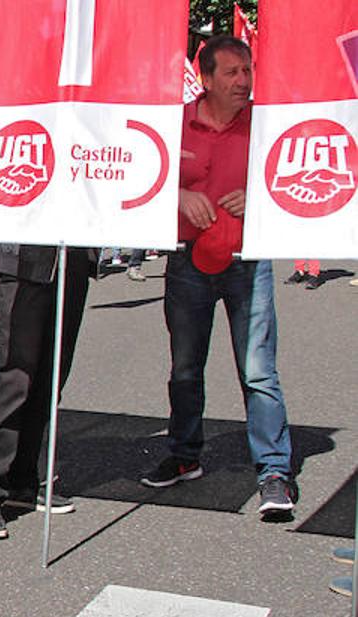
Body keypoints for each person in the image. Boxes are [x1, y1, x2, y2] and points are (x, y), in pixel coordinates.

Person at [138, 36, 297, 520]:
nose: (243, 81)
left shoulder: (266, 125)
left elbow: (289, 176)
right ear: (205, 79)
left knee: (258, 370)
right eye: (231, 73)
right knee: (185, 368)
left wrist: (261, 195)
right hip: (188, 261)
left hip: (250, 261)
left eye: (246, 71)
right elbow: (143, 178)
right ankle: (185, 456)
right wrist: (178, 196)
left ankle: (274, 472)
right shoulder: (174, 125)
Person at [0, 244, 94, 539]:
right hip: (19, 257)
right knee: (15, 376)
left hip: (71, 255)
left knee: (52, 375)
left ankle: (26, 480)